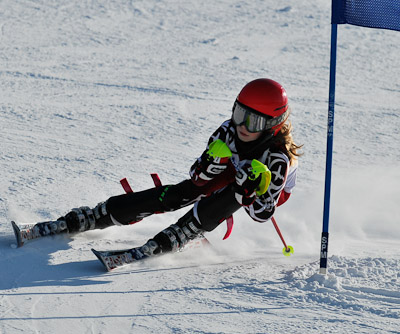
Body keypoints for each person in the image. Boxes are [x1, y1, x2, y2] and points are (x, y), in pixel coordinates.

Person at [24, 78, 301, 257]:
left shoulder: (277, 159)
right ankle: (99, 214)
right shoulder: (228, 132)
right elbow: (197, 177)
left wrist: (249, 190)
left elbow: (263, 213)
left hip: (265, 187)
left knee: (232, 197)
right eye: (239, 113)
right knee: (185, 191)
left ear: (271, 124)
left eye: (252, 122)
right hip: (235, 169)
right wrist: (210, 165)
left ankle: (186, 231)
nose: (241, 126)